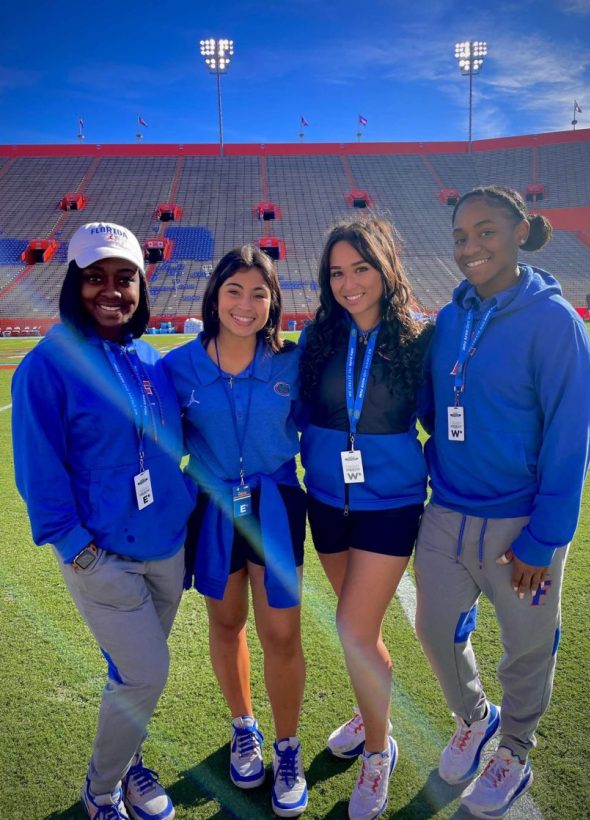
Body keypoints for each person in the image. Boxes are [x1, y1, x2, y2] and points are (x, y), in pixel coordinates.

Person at [414, 186, 590, 818]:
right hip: (446, 514)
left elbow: (571, 441)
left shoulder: (555, 322)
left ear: (521, 231)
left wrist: (543, 541)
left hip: (521, 523)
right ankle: (475, 716)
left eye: (486, 231)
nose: (470, 247)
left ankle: (516, 747)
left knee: (525, 648)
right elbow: (432, 409)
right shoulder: (450, 320)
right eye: (461, 236)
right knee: (434, 629)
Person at [11, 222, 196, 819]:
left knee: (130, 678)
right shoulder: (47, 366)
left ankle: (130, 762)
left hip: (167, 548)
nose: (110, 291)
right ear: (73, 283)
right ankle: (100, 789)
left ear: (142, 286)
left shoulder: (148, 356)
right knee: (146, 675)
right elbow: (39, 474)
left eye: (124, 278)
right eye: (94, 278)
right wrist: (80, 552)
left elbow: (169, 444)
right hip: (104, 557)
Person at [163, 246, 308, 818]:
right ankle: (243, 726)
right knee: (226, 622)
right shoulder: (178, 366)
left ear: (272, 302)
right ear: (215, 295)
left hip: (275, 505)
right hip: (213, 508)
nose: (245, 305)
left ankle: (288, 746)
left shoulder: (291, 363)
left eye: (258, 293)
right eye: (234, 291)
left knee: (282, 633)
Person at [299, 217, 433, 820]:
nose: (349, 283)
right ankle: (369, 706)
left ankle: (379, 751)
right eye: (337, 272)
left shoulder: (416, 339)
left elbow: (444, 420)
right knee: (363, 634)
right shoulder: (317, 338)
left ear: (385, 268)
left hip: (391, 506)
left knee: (353, 631)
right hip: (326, 503)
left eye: (361, 268)